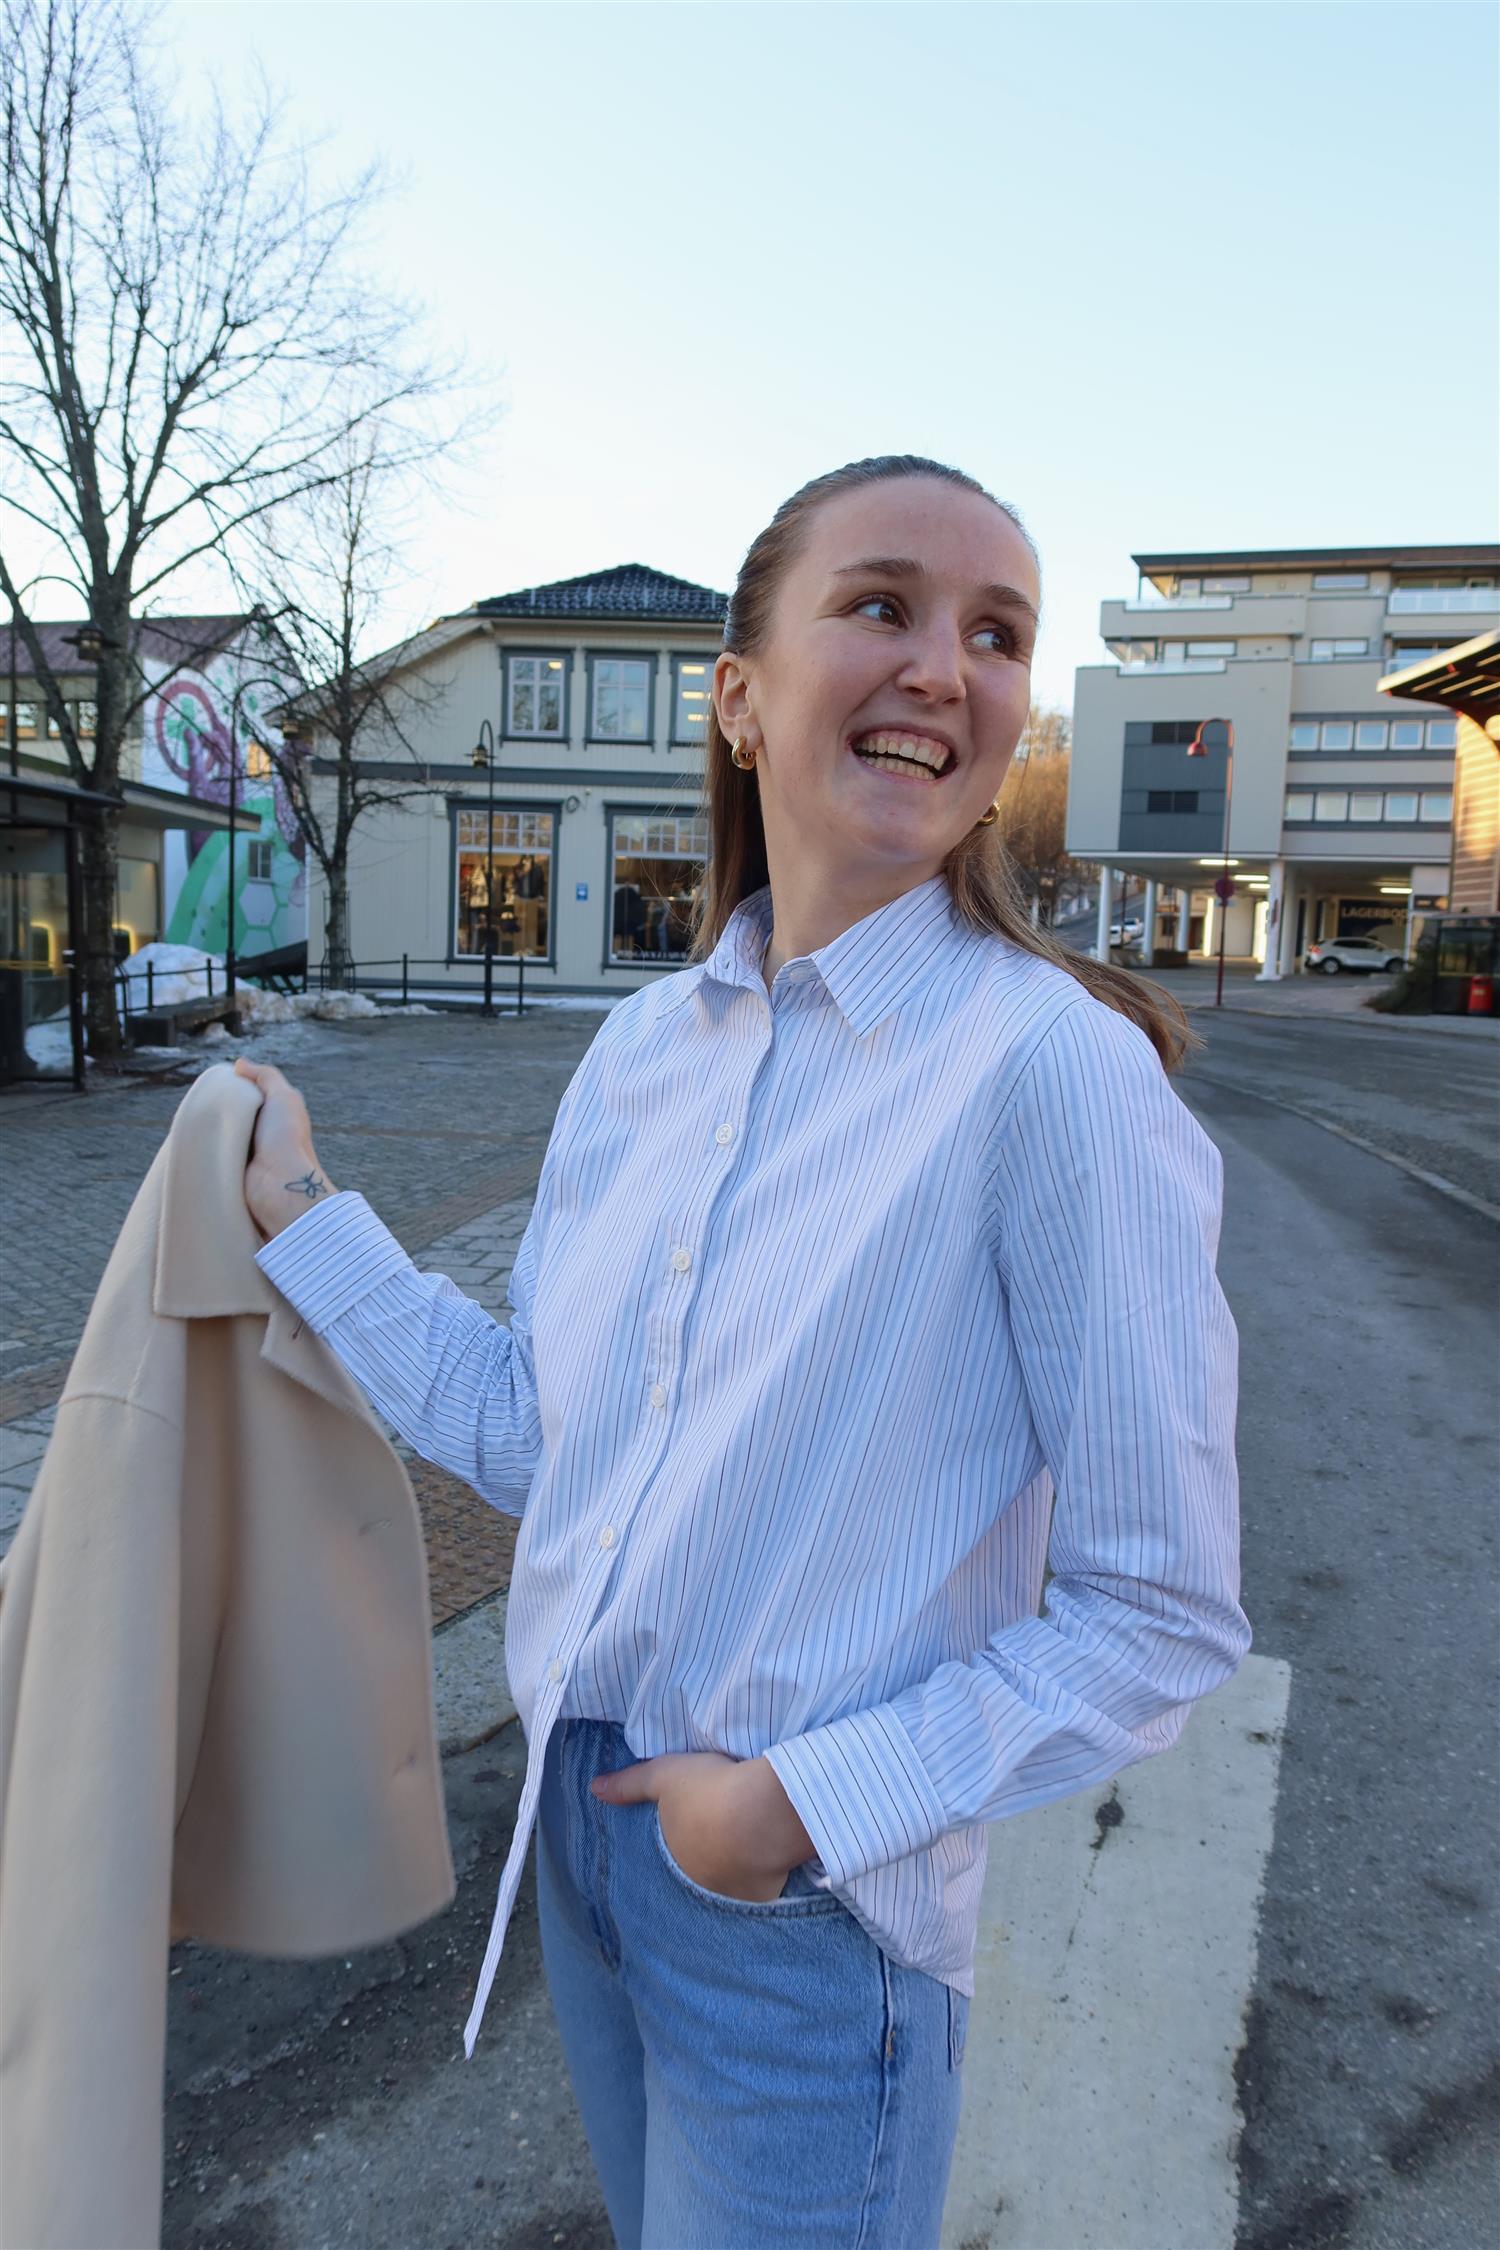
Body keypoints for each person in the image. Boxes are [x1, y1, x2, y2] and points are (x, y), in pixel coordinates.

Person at [236, 453, 1249, 2249]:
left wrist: (789, 1807)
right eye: (883, 606)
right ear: (739, 696)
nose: (948, 664)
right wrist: (307, 1212)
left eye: (996, 633)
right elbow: (551, 1445)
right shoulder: (639, 1052)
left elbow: (1158, 1612)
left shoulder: (1053, 1077)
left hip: (798, 1904)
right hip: (589, 1830)